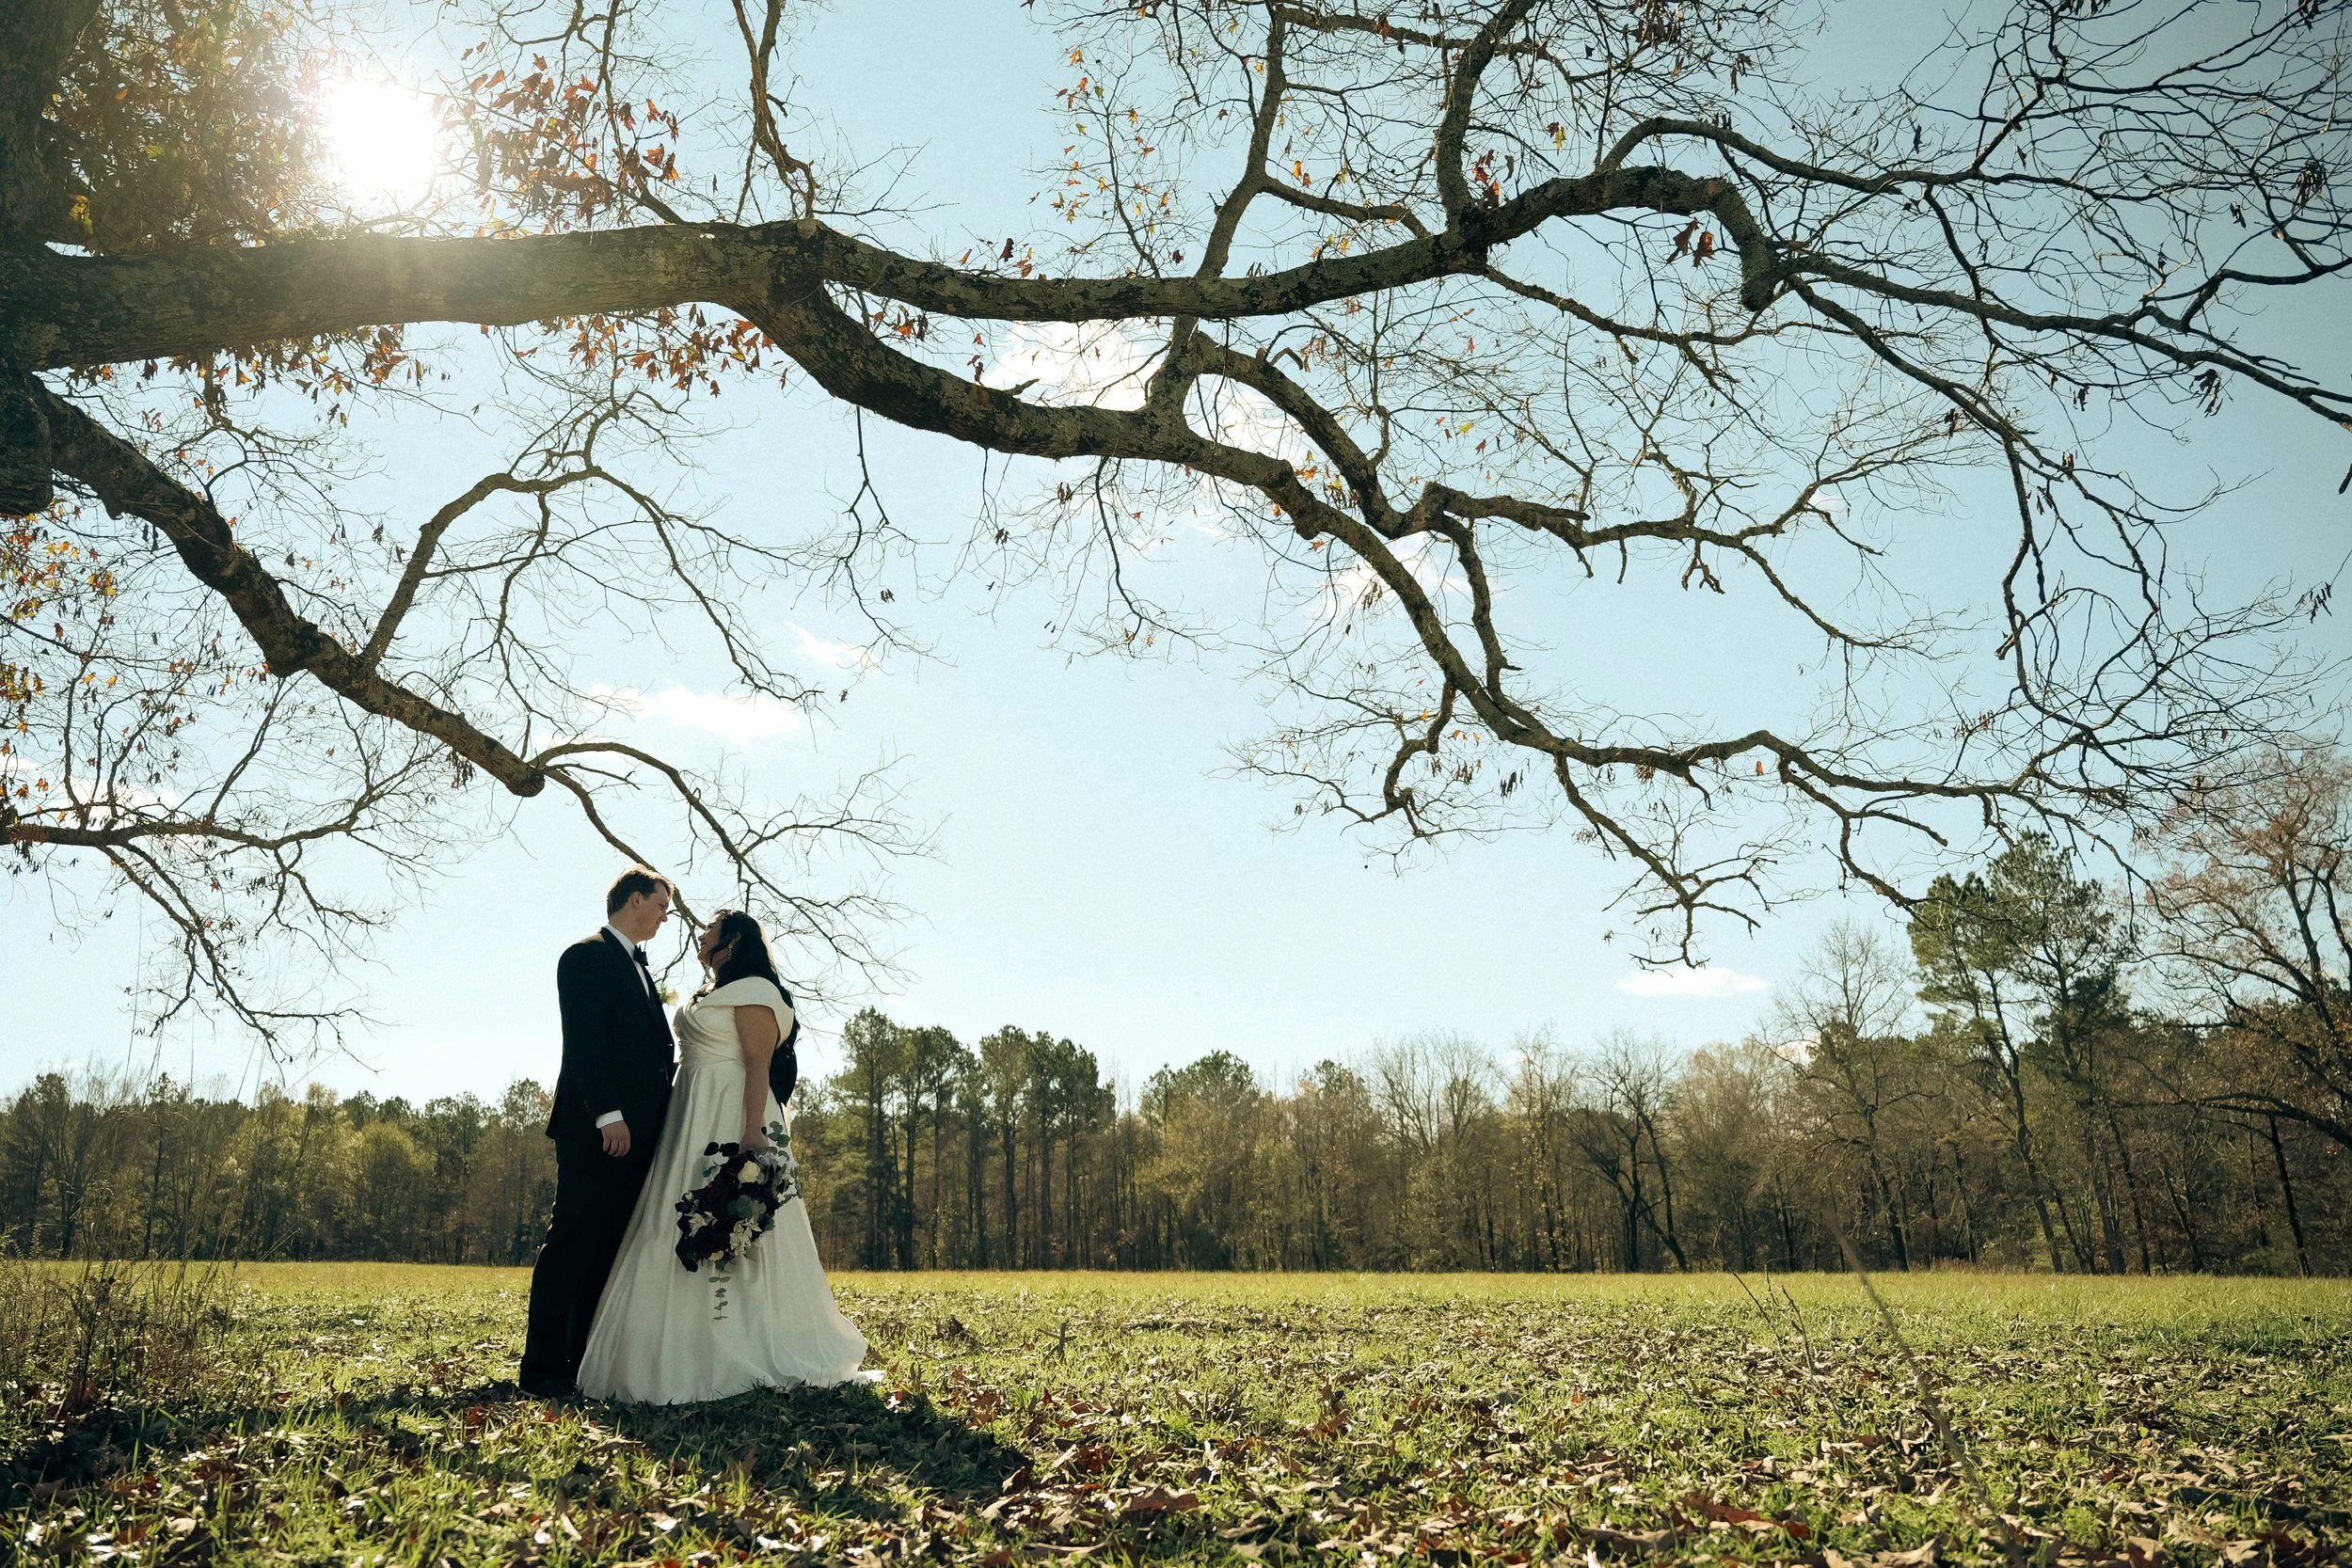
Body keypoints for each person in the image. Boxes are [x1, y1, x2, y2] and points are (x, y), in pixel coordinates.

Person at [576, 907, 868, 1403]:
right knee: (670, 1218)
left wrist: (751, 1133)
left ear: (731, 942)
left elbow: (758, 1067)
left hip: (731, 1112)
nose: (700, 936)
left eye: (709, 930)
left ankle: (738, 1339)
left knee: (734, 1220)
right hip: (688, 1112)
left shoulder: (755, 991)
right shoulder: (707, 993)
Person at [518, 866, 678, 1398]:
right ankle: (541, 1368)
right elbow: (585, 1043)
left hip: (639, 1137)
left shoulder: (641, 969)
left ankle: (578, 1361)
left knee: (608, 1247)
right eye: (660, 906)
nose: (663, 917)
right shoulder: (585, 956)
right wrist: (608, 1115)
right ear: (635, 900)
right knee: (572, 1241)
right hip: (598, 1131)